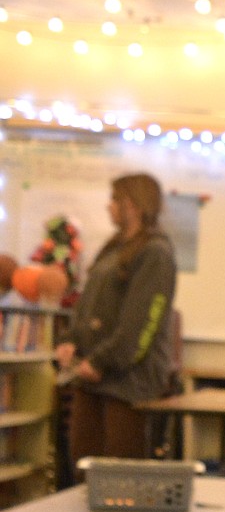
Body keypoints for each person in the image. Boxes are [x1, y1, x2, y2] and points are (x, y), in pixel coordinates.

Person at [55, 173, 177, 464]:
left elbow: (140, 325)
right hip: (91, 377)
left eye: (114, 199)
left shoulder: (155, 253)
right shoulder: (113, 249)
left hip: (128, 385)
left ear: (132, 205)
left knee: (118, 476)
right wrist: (70, 340)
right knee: (83, 464)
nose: (108, 206)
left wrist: (100, 362)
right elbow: (87, 306)